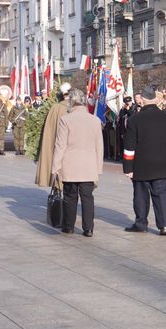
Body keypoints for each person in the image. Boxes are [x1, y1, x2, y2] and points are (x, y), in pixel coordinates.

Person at [123, 86, 166, 236]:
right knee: (161, 195)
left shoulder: (135, 119)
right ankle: (164, 225)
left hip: (142, 165)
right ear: (155, 99)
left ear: (143, 100)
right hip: (162, 164)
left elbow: (129, 146)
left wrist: (128, 168)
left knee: (140, 195)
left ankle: (141, 223)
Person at [51, 89, 103, 237]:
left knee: (70, 196)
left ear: (72, 102)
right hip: (89, 164)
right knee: (87, 197)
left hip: (70, 164)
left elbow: (60, 145)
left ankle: (69, 226)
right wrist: (98, 167)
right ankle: (88, 228)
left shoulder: (66, 119)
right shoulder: (95, 120)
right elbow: (100, 145)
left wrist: (55, 166)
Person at [36, 83, 72, 188]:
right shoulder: (78, 108)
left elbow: (49, 133)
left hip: (58, 146)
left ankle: (58, 186)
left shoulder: (55, 108)